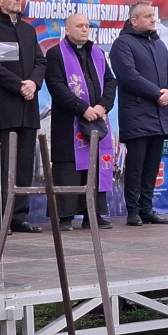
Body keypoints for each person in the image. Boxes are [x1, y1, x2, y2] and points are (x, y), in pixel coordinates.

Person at [0, 0, 47, 234]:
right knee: (3, 165)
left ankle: (19, 216)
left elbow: (40, 61)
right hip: (5, 106)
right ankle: (0, 217)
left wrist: (33, 83)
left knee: (25, 164)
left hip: (28, 107)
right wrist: (18, 85)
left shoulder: (28, 30)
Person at [110, 1, 168, 226]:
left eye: (153, 15)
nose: (153, 19)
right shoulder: (123, 44)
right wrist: (158, 93)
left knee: (152, 166)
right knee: (136, 166)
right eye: (148, 16)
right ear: (134, 21)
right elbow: (128, 76)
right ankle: (133, 210)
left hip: (159, 115)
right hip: (137, 115)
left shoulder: (158, 44)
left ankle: (147, 208)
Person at [45, 13, 117, 229]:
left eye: (87, 26)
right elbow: (56, 85)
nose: (85, 29)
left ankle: (93, 213)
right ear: (67, 30)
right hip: (69, 122)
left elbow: (110, 81)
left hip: (97, 119)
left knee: (95, 166)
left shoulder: (98, 53)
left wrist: (103, 106)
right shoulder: (55, 53)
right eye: (79, 26)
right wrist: (83, 109)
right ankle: (65, 216)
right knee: (68, 168)